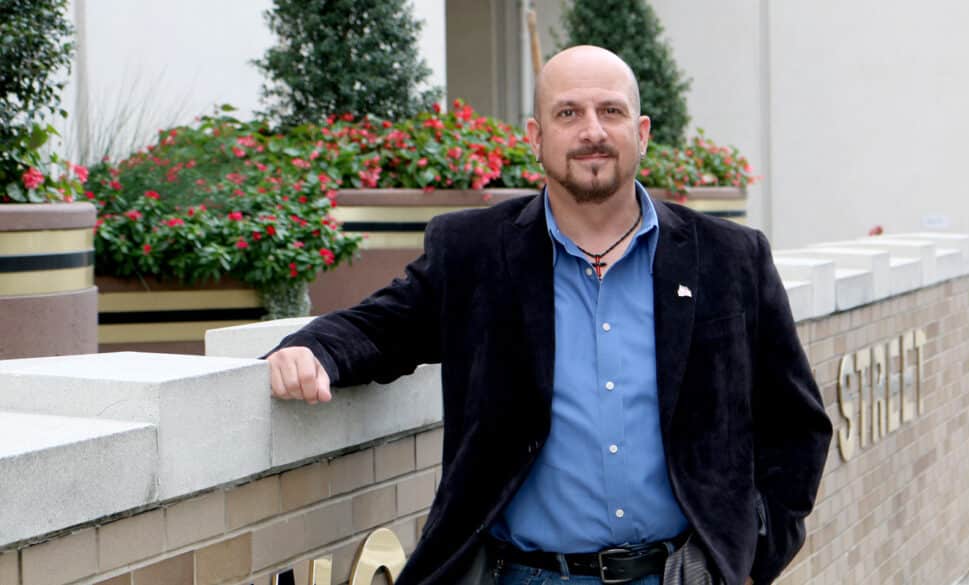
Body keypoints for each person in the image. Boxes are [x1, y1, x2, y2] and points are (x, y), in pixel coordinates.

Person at [266, 45, 832, 585]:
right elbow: (383, 326)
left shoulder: (730, 257)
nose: (592, 130)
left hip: (679, 574)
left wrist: (754, 558)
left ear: (641, 133)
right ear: (536, 137)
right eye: (569, 113)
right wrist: (312, 350)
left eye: (611, 111)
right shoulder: (474, 252)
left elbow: (796, 424)